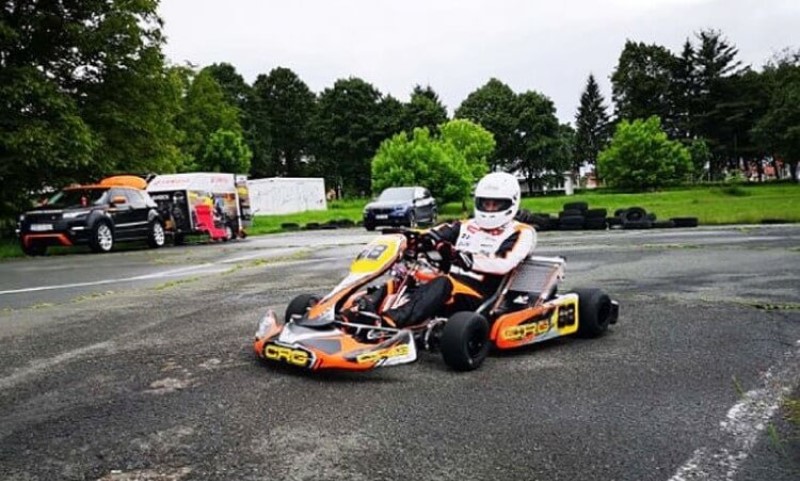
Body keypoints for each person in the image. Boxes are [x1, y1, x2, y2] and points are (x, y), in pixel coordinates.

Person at [350, 172, 537, 328]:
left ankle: (391, 321)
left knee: (443, 282)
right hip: (448, 288)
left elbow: (503, 263)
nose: (489, 208)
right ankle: (359, 309)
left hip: (482, 296)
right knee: (407, 278)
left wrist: (459, 256)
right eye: (485, 203)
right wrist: (410, 239)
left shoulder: (521, 232)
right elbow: (432, 234)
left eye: (496, 204)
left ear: (511, 203)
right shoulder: (466, 226)